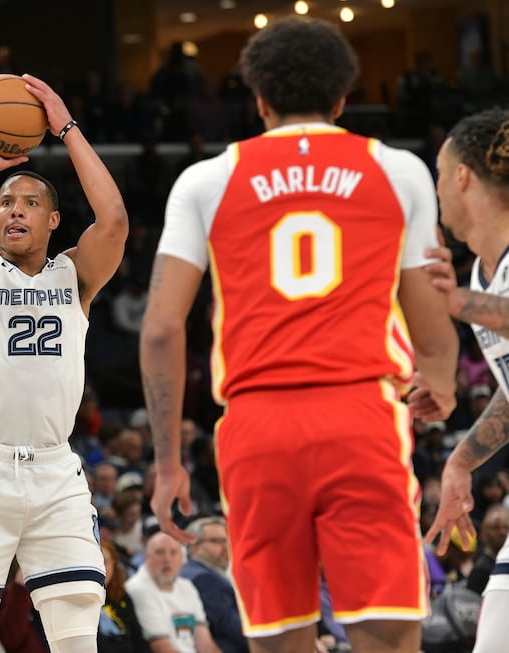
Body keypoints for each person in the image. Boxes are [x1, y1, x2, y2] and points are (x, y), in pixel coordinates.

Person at [139, 16, 459, 653]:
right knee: (388, 637)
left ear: (257, 100)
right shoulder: (397, 170)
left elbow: (159, 329)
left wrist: (169, 460)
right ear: (343, 100)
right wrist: (443, 387)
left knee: (280, 640)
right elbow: (431, 326)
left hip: (257, 426)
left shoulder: (206, 180)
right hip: (361, 413)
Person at [0, 73, 129, 653]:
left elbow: (113, 222)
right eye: (7, 203)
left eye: (31, 204)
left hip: (56, 469)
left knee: (77, 637)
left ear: (53, 221)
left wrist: (66, 127)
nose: (15, 211)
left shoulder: (75, 276)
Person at [424, 107, 509, 653]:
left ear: (461, 176)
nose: (436, 190)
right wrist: (461, 462)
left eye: (438, 174)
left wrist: (459, 303)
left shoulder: (477, 288)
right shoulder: (483, 269)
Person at [125, 532, 220, 653]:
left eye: (173, 553)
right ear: (147, 557)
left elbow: (205, 643)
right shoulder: (138, 588)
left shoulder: (187, 587)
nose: (167, 560)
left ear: (182, 559)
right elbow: (161, 647)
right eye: (160, 552)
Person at [180, 518, 246, 653]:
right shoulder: (204, 579)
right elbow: (233, 628)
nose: (226, 547)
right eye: (217, 541)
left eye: (227, 540)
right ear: (194, 547)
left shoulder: (188, 571)